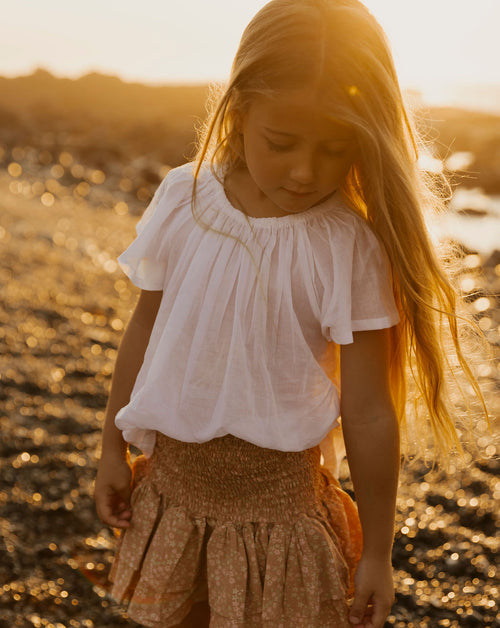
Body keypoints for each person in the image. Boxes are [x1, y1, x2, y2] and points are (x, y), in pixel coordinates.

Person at [94, 1, 486, 626]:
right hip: (170, 492)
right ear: (241, 108)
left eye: (336, 149)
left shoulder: (347, 247)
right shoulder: (185, 197)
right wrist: (112, 448)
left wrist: (379, 554)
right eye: (282, 143)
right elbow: (146, 327)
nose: (305, 172)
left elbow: (368, 412)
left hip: (281, 518)